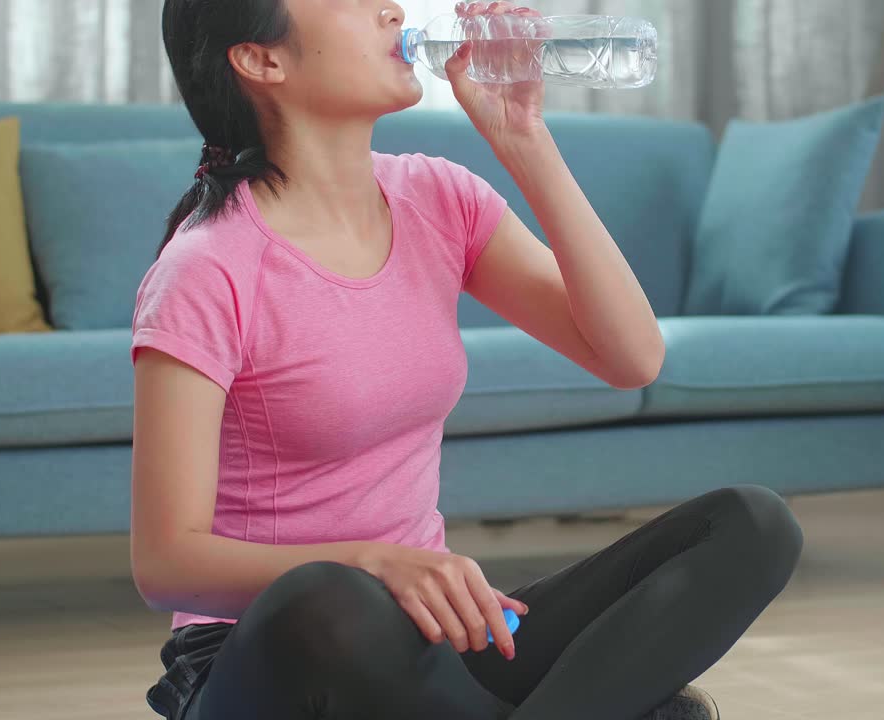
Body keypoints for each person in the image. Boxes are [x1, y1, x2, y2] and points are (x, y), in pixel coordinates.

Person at [132, 1, 803, 718]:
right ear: (263, 60)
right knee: (327, 596)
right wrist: (372, 562)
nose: (390, 8)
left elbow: (632, 357)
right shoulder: (208, 269)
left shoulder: (437, 198)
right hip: (276, 652)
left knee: (751, 525)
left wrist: (524, 139)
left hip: (437, 638)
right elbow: (166, 564)